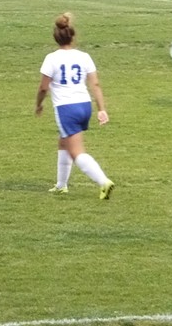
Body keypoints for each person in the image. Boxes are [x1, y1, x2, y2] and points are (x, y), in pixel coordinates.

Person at [35, 12, 115, 200]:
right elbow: (95, 84)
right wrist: (102, 109)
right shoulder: (84, 56)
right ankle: (61, 185)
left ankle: (104, 181)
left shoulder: (51, 58)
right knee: (63, 141)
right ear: (73, 36)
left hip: (66, 109)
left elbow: (43, 88)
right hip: (84, 105)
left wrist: (38, 105)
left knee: (76, 152)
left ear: (55, 37)